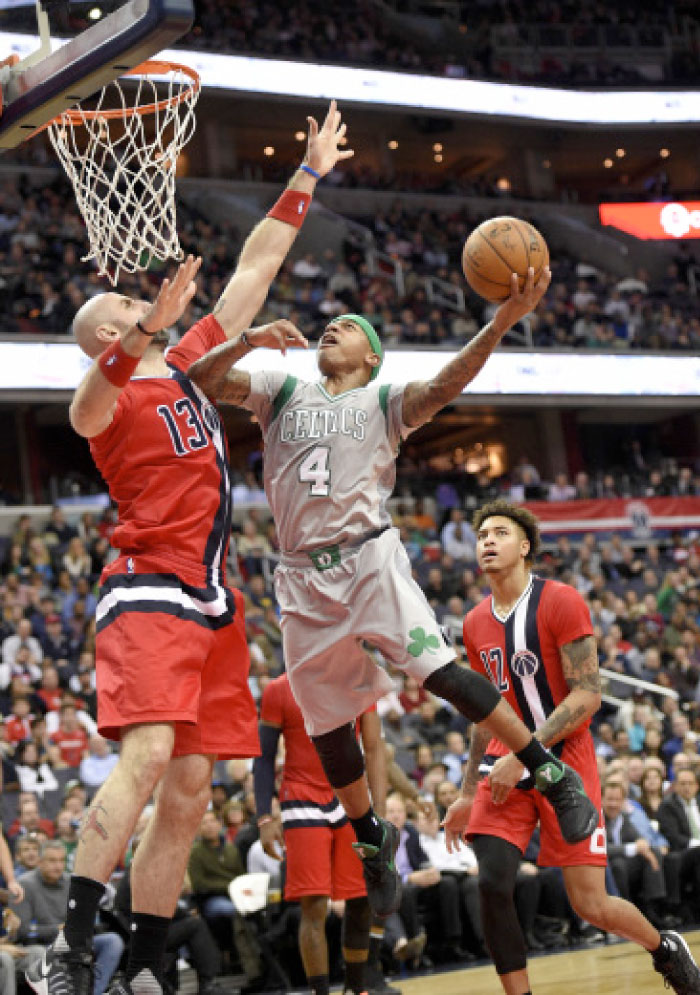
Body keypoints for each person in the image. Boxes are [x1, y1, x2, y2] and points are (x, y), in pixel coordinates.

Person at [25, 100, 353, 995]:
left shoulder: (187, 363)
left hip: (213, 599)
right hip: (149, 589)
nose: (151, 302)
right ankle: (69, 949)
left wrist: (309, 172)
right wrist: (135, 335)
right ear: (109, 333)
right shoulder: (116, 392)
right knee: (147, 757)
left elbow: (254, 267)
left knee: (193, 786)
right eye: (131, 305)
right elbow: (81, 409)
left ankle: (147, 959)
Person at [188, 266, 599, 921]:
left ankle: (547, 768)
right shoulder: (281, 386)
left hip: (367, 558)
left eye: (349, 327)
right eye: (331, 324)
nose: (333, 327)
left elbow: (446, 383)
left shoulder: (385, 401)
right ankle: (374, 838)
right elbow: (202, 379)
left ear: (371, 356)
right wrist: (246, 341)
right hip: (300, 574)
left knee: (441, 672)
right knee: (326, 728)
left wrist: (497, 323)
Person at [442, 499, 700, 995]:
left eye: (499, 533)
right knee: (493, 883)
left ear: (525, 546)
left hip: (566, 760)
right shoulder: (474, 622)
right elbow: (483, 711)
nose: (488, 542)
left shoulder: (560, 600)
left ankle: (663, 948)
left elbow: (588, 694)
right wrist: (464, 787)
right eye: (481, 536)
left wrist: (526, 751)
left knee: (590, 904)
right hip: (502, 762)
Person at [253, 670, 389, 995]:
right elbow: (264, 757)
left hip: (350, 795)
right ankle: (320, 992)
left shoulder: (357, 678)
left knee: (360, 900)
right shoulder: (278, 689)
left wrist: (380, 812)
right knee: (313, 904)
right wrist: (263, 816)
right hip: (300, 797)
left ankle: (356, 988)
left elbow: (373, 748)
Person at [14, 840, 124, 995]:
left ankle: (93, 992)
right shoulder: (24, 884)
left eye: (61, 860)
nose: (58, 866)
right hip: (42, 944)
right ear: (40, 862)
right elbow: (22, 931)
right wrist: (56, 929)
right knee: (40, 953)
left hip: (72, 941)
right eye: (52, 860)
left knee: (113, 941)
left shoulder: (71, 883)